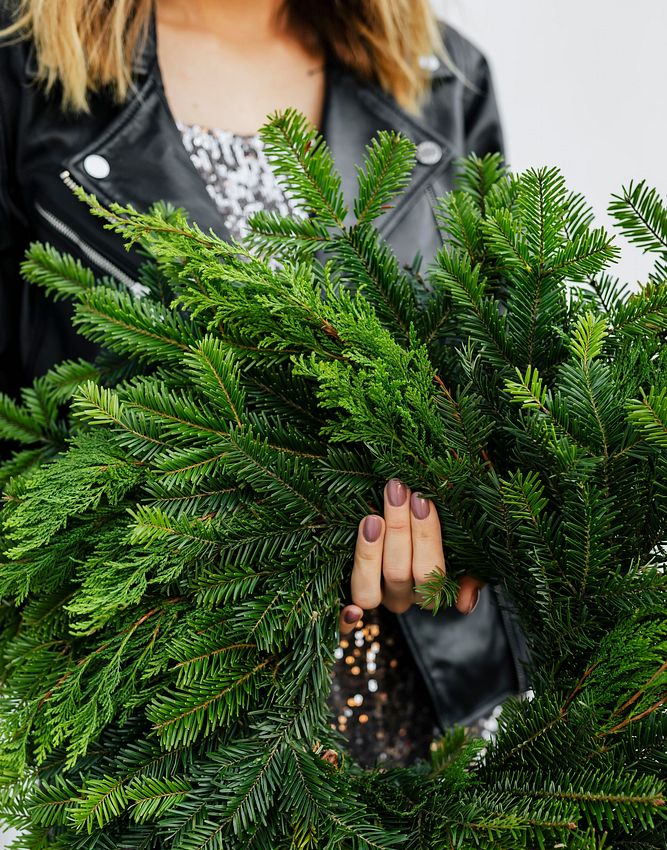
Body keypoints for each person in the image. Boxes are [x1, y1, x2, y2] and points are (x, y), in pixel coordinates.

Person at [0, 0, 529, 768]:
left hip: (426, 699)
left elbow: (502, 380)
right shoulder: (24, 66)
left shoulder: (442, 75)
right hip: (160, 731)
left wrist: (465, 520)